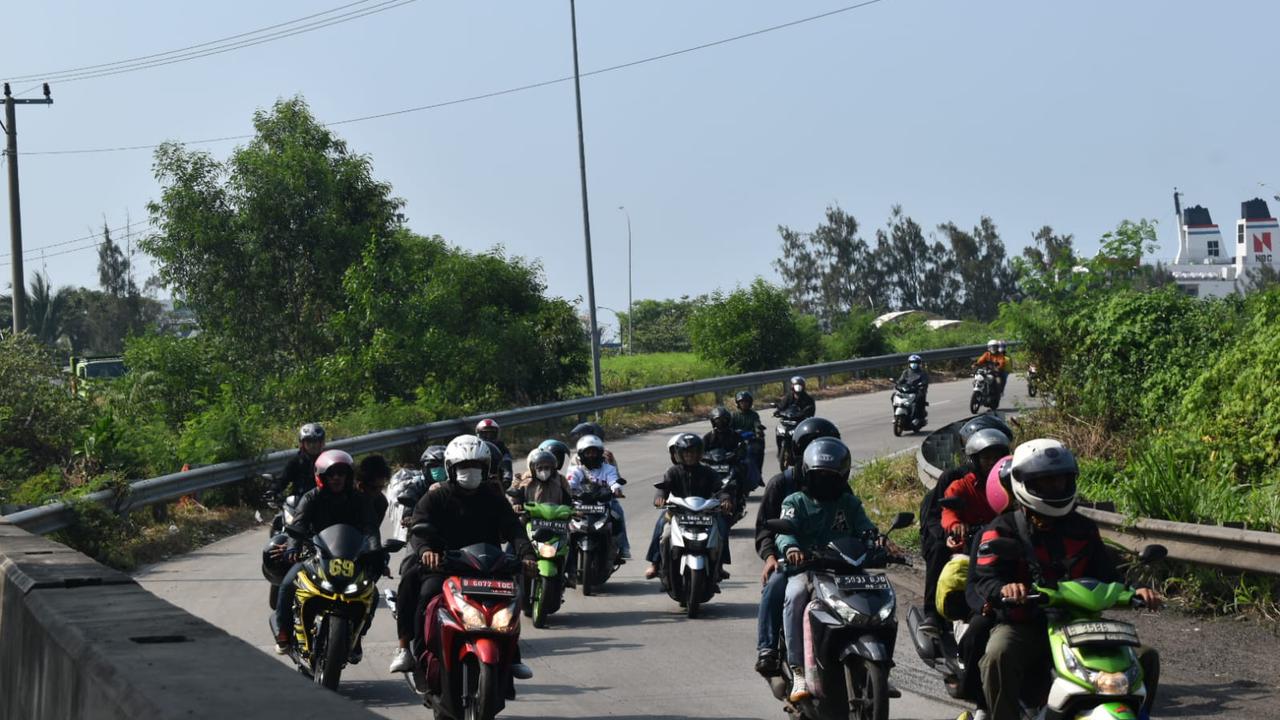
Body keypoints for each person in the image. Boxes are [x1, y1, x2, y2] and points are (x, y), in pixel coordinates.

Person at [967, 439, 1162, 720]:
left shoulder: (1083, 528)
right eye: (1045, 483)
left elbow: (1107, 575)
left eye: (1060, 481)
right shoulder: (1001, 530)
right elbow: (985, 580)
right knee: (999, 654)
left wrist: (1137, 591)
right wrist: (1005, 589)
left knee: (1146, 657)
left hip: (1081, 623)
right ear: (1023, 483)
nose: (1055, 488)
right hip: (1026, 623)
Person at [388, 436, 535, 677]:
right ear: (451, 469)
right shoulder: (435, 496)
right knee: (417, 587)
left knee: (512, 597)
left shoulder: (493, 497)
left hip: (487, 567)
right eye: (464, 467)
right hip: (444, 565)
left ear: (485, 469)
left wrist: (527, 554)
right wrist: (426, 551)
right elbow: (419, 525)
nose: (470, 472)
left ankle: (512, 654)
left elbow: (514, 529)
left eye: (476, 466)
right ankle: (409, 650)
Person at [777, 437, 878, 702]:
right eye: (819, 474)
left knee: (875, 599)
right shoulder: (794, 501)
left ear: (842, 476)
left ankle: (878, 667)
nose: (824, 480)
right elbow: (784, 533)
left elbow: (866, 528)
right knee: (795, 596)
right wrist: (791, 549)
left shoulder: (849, 503)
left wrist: (878, 542)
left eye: (830, 475)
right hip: (807, 570)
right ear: (807, 473)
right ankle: (798, 670)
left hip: (846, 570)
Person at [753, 416, 841, 676]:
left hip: (833, 559)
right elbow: (766, 528)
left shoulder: (839, 483)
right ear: (798, 453)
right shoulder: (781, 485)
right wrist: (770, 557)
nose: (821, 455)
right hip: (791, 559)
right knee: (776, 587)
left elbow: (854, 519)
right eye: (814, 448)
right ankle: (768, 649)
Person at [273, 450, 378, 659]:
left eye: (341, 473)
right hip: (314, 553)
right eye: (332, 473)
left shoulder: (359, 499)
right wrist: (293, 546)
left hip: (350, 557)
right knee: (286, 585)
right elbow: (299, 524)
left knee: (371, 595)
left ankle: (356, 638)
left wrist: (376, 551)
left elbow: (370, 528)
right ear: (322, 476)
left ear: (348, 476)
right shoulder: (311, 497)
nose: (337, 477)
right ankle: (282, 631)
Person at [918, 428, 1011, 633]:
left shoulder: (1011, 483)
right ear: (974, 460)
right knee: (939, 550)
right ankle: (932, 614)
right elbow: (948, 511)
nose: (991, 462)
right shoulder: (960, 485)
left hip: (1002, 539)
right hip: (969, 541)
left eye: (997, 457)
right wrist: (955, 527)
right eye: (986, 458)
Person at [645, 433, 735, 580]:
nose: (689, 456)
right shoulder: (673, 472)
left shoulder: (709, 472)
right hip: (677, 512)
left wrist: (725, 499)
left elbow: (721, 489)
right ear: (679, 454)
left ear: (699, 453)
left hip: (705, 513)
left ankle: (719, 566)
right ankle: (655, 563)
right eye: (686, 452)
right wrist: (660, 497)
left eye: (693, 452)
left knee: (722, 528)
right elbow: (664, 487)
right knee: (663, 529)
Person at [566, 435, 630, 559]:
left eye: (594, 452)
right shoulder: (576, 470)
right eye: (588, 452)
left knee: (617, 515)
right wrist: (568, 491)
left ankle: (621, 547)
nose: (591, 456)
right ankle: (566, 553)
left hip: (603, 503)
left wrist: (616, 489)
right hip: (580, 505)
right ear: (581, 454)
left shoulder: (608, 468)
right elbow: (570, 483)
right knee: (565, 520)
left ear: (600, 453)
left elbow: (614, 481)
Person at [703, 406, 757, 492]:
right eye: (718, 420)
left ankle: (742, 491)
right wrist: (704, 457)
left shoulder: (735, 435)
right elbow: (701, 451)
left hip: (731, 462)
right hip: (713, 463)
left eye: (723, 419)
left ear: (728, 420)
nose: (720, 422)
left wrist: (738, 453)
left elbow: (743, 448)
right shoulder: (708, 437)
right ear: (713, 421)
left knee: (742, 468)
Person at [272, 423, 326, 498]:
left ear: (321, 443)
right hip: (298, 502)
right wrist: (273, 491)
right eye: (309, 442)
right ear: (302, 444)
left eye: (315, 441)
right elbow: (283, 480)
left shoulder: (327, 460)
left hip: (323, 501)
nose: (312, 445)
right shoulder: (296, 462)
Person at [731, 390, 766, 477]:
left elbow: (757, 424)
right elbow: (729, 427)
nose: (744, 404)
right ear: (738, 403)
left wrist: (758, 431)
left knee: (759, 450)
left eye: (746, 402)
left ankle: (758, 473)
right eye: (742, 402)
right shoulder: (733, 415)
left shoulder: (754, 415)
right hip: (735, 440)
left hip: (751, 441)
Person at [476, 419, 514, 487]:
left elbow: (507, 461)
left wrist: (507, 476)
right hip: (475, 478)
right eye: (485, 434)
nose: (488, 437)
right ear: (479, 434)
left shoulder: (501, 447)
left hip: (495, 479)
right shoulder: (474, 446)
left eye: (491, 434)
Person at [356, 454, 392, 524]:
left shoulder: (381, 503)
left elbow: (374, 529)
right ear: (361, 485)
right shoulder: (349, 499)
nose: (378, 492)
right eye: (373, 488)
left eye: (381, 487)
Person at [896, 354, 930, 423]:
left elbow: (925, 381)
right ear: (909, 363)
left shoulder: (922, 373)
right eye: (912, 362)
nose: (913, 364)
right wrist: (898, 385)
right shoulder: (906, 372)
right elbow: (900, 381)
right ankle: (896, 415)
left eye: (915, 363)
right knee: (894, 396)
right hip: (907, 390)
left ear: (919, 364)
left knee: (917, 401)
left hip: (917, 391)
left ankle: (917, 417)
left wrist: (921, 385)